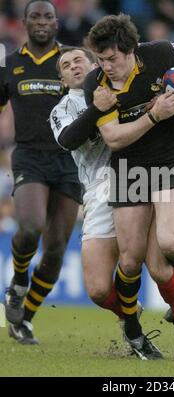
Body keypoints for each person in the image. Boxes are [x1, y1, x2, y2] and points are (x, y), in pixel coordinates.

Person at [83, 13, 174, 360]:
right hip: (127, 169)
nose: (106, 66)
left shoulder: (160, 53)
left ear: (131, 50)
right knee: (132, 264)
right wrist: (156, 114)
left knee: (171, 247)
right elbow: (113, 139)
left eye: (112, 58)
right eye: (100, 59)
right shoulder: (96, 85)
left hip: (170, 162)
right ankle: (147, 331)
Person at [50, 45, 151, 358]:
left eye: (79, 59)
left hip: (140, 175)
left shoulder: (122, 84)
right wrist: (96, 108)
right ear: (63, 80)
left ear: (95, 64)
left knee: (164, 255)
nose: (75, 66)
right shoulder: (62, 109)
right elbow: (68, 139)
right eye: (66, 65)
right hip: (99, 188)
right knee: (96, 289)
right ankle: (130, 318)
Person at [0, 0, 82, 344]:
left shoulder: (71, 61)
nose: (42, 22)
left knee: (56, 249)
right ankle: (18, 281)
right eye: (35, 16)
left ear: (56, 22)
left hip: (69, 160)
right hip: (29, 157)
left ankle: (26, 318)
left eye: (48, 16)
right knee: (30, 227)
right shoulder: (11, 64)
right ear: (24, 22)